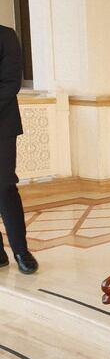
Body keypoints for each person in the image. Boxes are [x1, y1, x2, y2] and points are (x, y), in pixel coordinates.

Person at [0, 25, 38, 274]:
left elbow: (11, 81)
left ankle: (20, 251)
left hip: (1, 124)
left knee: (4, 185)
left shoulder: (6, 35)